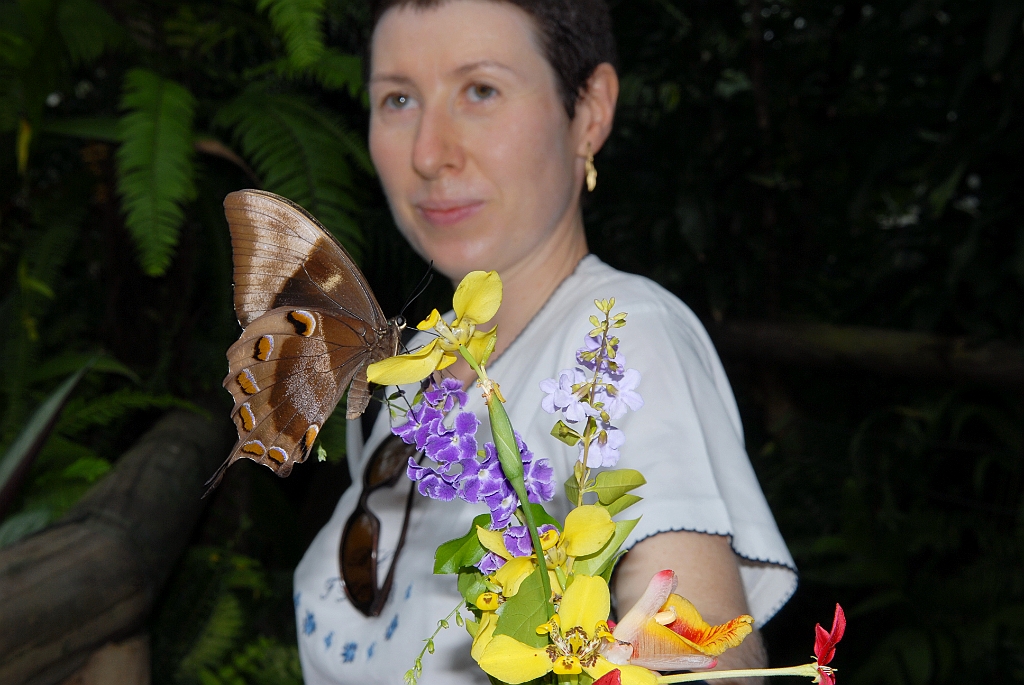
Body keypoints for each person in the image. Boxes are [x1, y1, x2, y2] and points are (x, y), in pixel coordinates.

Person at [292, 1, 797, 683]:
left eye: (481, 90)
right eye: (398, 98)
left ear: (589, 111)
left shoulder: (613, 341)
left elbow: (701, 660)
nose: (427, 152)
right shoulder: (419, 372)